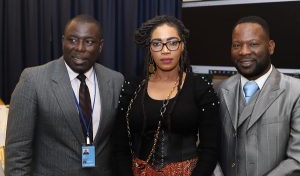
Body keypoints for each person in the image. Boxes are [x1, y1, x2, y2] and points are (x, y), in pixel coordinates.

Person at [5, 14, 124, 175]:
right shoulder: (33, 80)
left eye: (89, 42)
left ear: (100, 46)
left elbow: (119, 144)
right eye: (73, 40)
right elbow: (18, 151)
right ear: (63, 42)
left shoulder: (116, 81)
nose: (80, 48)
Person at [113, 15, 220, 176]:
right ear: (150, 48)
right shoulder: (132, 88)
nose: (165, 50)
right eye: (157, 44)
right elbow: (120, 147)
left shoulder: (200, 87)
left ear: (182, 45)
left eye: (172, 42)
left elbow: (210, 148)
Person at [215, 16, 300, 176]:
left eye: (253, 44)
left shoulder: (295, 92)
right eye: (237, 45)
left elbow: (297, 159)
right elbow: (208, 148)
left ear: (271, 47)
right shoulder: (219, 90)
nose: (244, 51)